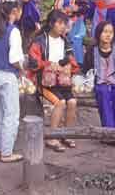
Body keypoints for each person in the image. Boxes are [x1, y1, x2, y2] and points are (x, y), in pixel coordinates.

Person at [28, 10, 79, 152]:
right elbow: (33, 62)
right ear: (51, 24)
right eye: (60, 23)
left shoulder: (65, 40)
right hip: (44, 81)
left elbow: (71, 59)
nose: (63, 26)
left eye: (65, 23)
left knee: (72, 102)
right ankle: (52, 137)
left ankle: (66, 134)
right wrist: (49, 64)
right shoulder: (39, 41)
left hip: (62, 81)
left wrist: (69, 66)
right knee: (60, 102)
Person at [0, 0, 24, 163]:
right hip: (8, 75)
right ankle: (7, 152)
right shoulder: (13, 31)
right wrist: (22, 68)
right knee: (12, 114)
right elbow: (15, 58)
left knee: (0, 113)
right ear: (15, 11)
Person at [83, 21, 115, 129]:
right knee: (103, 91)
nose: (108, 35)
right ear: (99, 33)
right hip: (99, 80)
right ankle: (109, 131)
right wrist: (96, 79)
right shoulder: (91, 51)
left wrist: (113, 79)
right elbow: (87, 71)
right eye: (105, 32)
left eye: (111, 32)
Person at [53, 0, 91, 66]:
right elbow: (55, 8)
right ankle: (62, 62)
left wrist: (77, 8)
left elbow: (86, 7)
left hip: (76, 21)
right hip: (61, 21)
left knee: (75, 39)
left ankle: (78, 64)